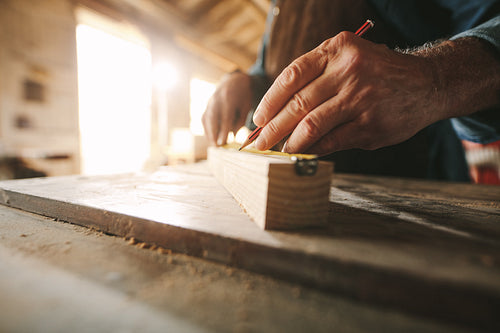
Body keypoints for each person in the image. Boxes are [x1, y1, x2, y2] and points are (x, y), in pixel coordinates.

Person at [202, 0, 500, 181]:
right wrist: (243, 81)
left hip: (404, 193)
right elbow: (271, 68)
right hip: (291, 189)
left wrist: (430, 76)